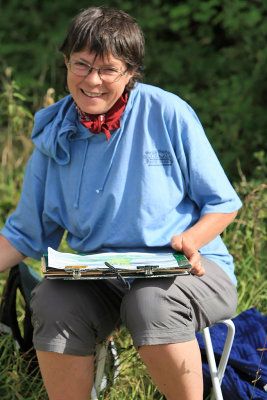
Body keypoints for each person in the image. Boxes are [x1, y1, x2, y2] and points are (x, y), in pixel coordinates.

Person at [0, 6, 242, 400]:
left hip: (188, 271)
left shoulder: (167, 112)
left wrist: (193, 240)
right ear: (65, 62)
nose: (92, 80)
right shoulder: (53, 132)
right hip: (100, 277)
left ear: (130, 73)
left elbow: (224, 204)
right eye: (81, 65)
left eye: (108, 69)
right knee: (52, 298)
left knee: (149, 301)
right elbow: (25, 234)